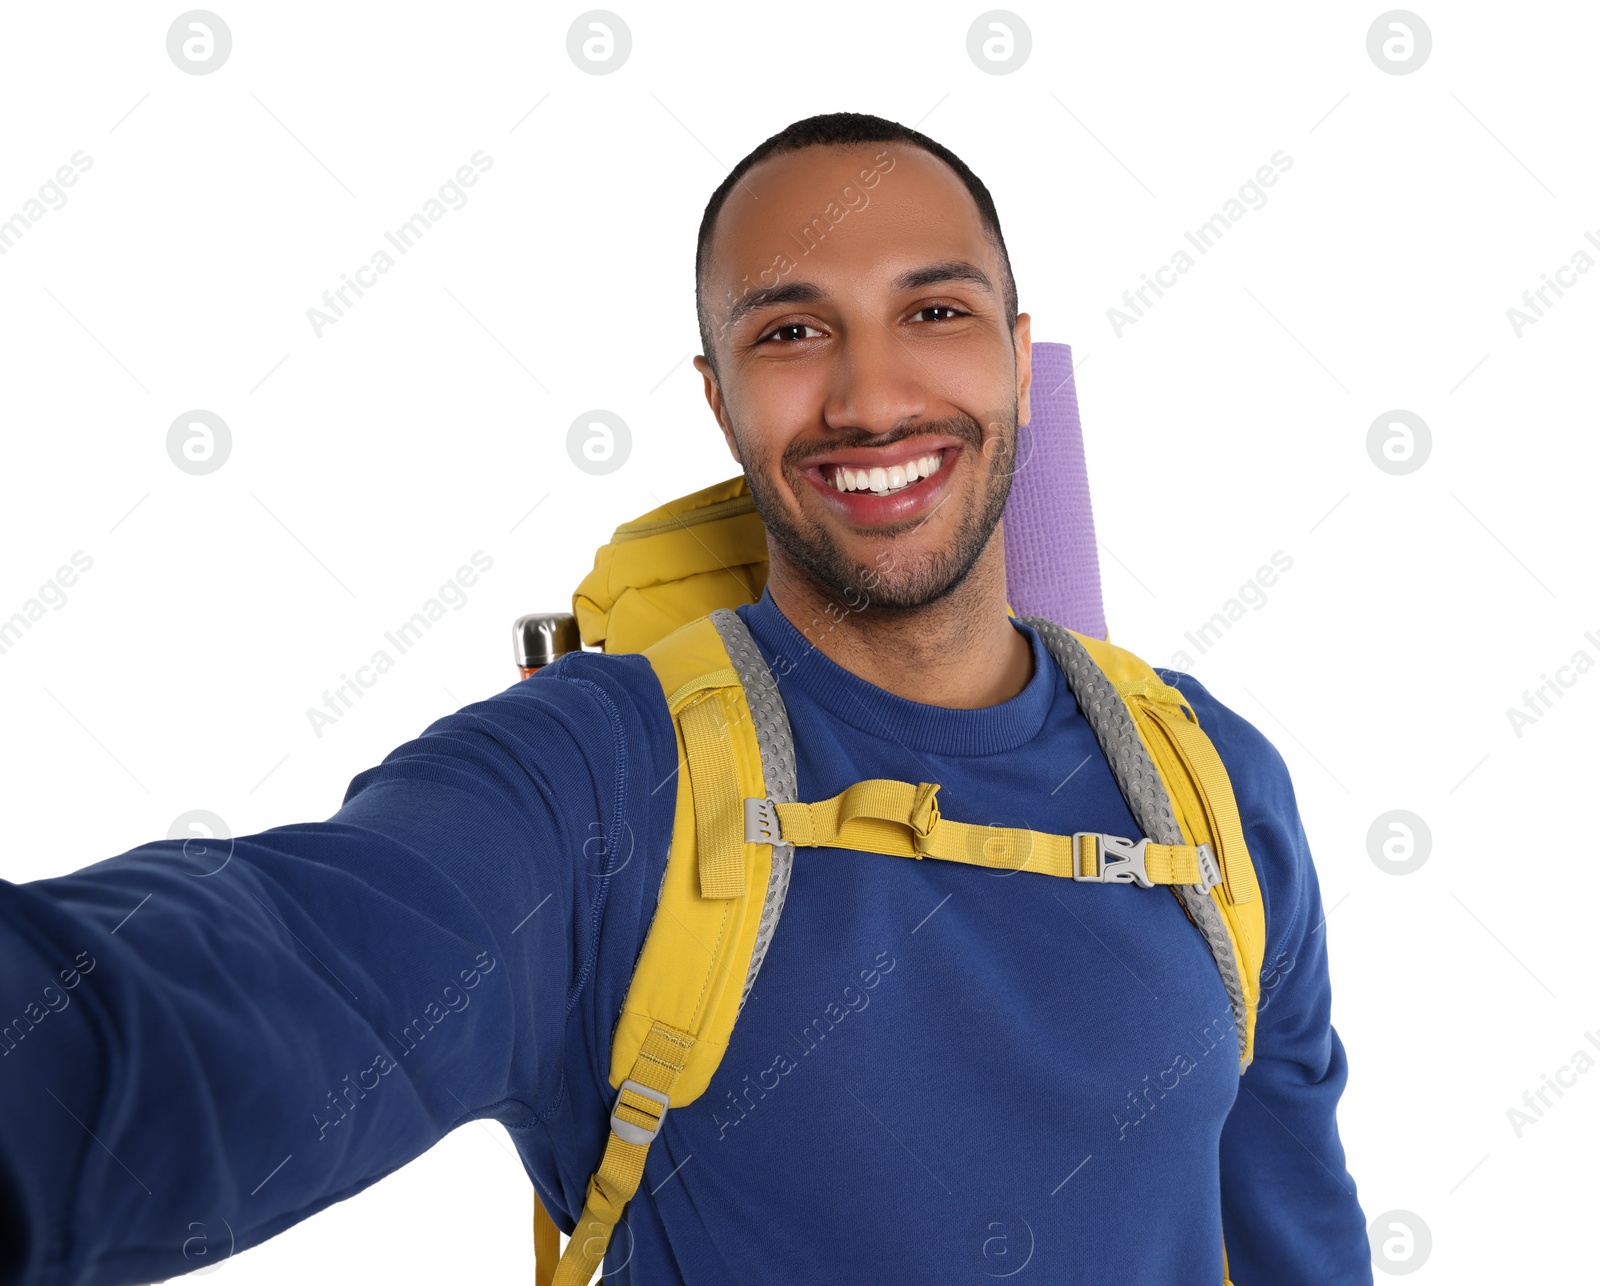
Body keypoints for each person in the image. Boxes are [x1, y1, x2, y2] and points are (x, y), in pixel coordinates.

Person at [0, 111, 1371, 1285]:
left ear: (1021, 356)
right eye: (792, 330)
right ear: (719, 400)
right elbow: (235, 989)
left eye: (935, 312)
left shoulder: (1213, 781)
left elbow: (1295, 1235)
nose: (873, 392)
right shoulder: (601, 778)